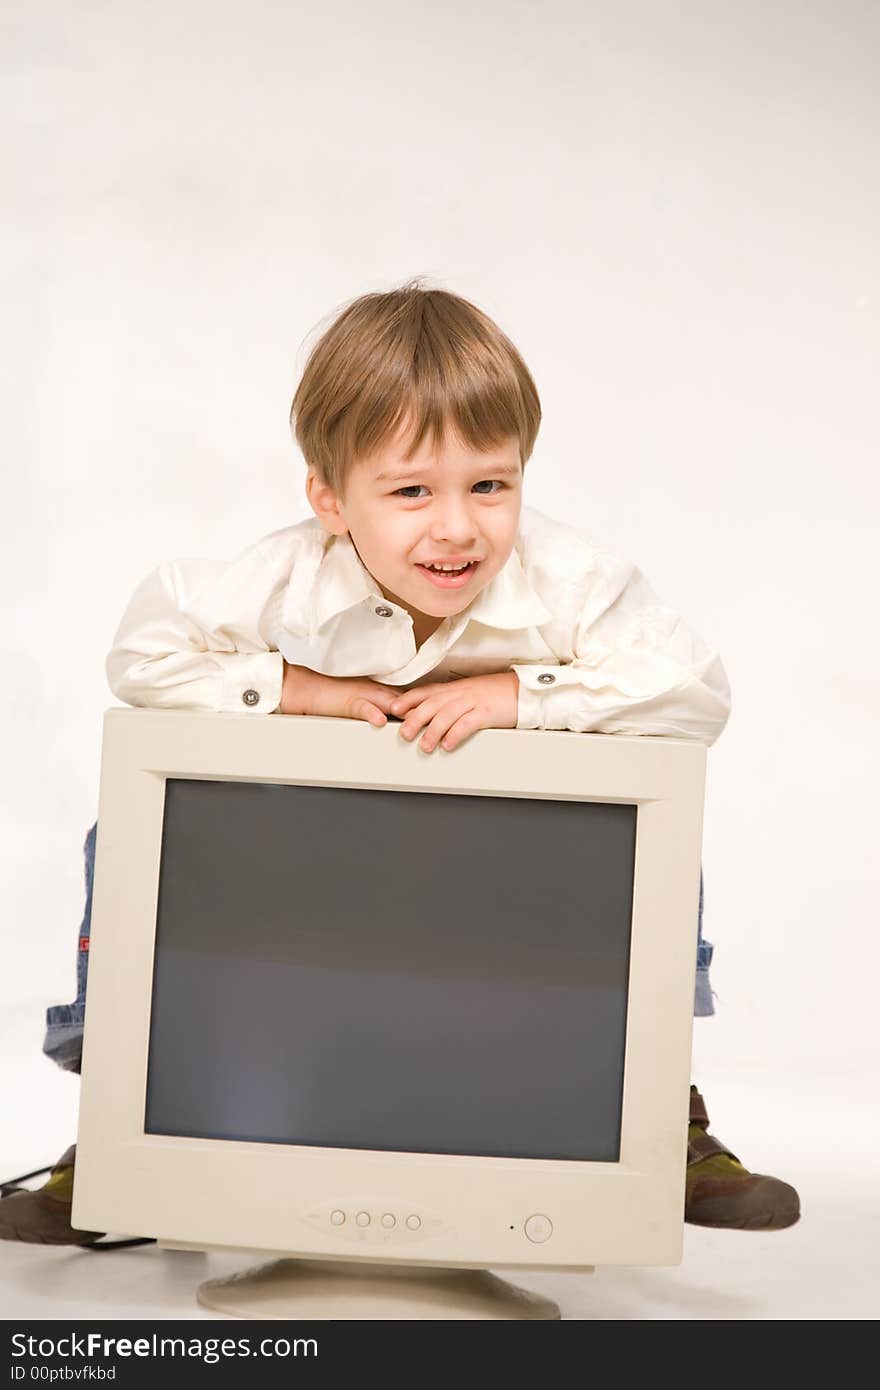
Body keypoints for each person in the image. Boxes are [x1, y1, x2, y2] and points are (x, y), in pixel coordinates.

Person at [0, 281, 800, 1245]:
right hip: (316, 866)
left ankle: (660, 1108)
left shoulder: (574, 584)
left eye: (490, 485)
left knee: (650, 798)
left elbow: (695, 694)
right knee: (123, 827)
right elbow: (143, 661)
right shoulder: (283, 581)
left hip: (504, 871)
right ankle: (118, 1116)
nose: (458, 527)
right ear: (331, 499)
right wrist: (303, 690)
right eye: (413, 490)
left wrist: (522, 696)